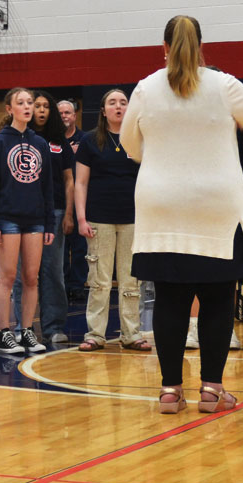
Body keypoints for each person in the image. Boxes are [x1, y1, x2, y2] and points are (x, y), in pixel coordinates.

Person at [124, 15, 243, 414]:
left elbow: (130, 146)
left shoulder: (146, 87)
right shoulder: (224, 84)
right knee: (218, 299)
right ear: (202, 45)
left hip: (161, 206)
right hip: (216, 208)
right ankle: (211, 390)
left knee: (169, 299)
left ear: (164, 47)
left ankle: (170, 391)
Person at [0, 88, 56, 354]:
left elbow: (47, 186)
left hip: (35, 220)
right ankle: (4, 333)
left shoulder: (40, 144)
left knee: (31, 278)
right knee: (8, 276)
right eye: (21, 103)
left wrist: (49, 223)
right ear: (9, 109)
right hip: (7, 219)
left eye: (30, 103)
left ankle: (27, 331)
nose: (28, 107)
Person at [74, 89, 145, 351]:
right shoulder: (90, 141)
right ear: (103, 111)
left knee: (130, 280)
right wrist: (81, 218)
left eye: (123, 102)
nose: (118, 106)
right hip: (99, 219)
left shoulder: (138, 140)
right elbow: (80, 183)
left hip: (133, 219)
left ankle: (131, 334)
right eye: (112, 103)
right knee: (99, 281)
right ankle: (95, 334)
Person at [13, 91, 72, 345]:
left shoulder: (60, 142)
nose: (41, 110)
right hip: (23, 214)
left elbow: (69, 180)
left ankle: (53, 326)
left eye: (46, 106)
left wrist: (68, 213)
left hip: (55, 212)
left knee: (53, 272)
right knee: (22, 274)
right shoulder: (16, 139)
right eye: (36, 105)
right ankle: (21, 326)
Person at [58, 98, 88, 308]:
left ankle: (77, 286)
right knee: (59, 249)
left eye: (67, 112)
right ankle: (61, 286)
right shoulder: (51, 140)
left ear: (75, 116)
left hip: (81, 202)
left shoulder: (85, 140)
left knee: (79, 248)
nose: (64, 116)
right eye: (60, 113)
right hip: (58, 200)